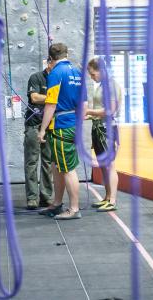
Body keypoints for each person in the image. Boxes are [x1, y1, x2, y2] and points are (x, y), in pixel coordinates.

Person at [37, 43, 85, 220]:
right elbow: (84, 103)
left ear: (50, 58)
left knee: (67, 169)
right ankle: (57, 204)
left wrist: (42, 130)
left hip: (61, 125)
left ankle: (74, 209)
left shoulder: (56, 73)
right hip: (73, 123)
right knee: (57, 166)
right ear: (67, 53)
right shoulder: (78, 72)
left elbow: (51, 103)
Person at [85, 57, 122, 212]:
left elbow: (110, 110)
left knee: (109, 165)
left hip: (107, 129)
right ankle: (107, 197)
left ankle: (112, 200)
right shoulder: (103, 85)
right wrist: (91, 116)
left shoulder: (111, 85)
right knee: (103, 165)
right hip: (99, 127)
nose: (92, 77)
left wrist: (88, 111)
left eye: (93, 74)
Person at [23, 59, 55, 210]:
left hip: (50, 126)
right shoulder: (36, 77)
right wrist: (54, 98)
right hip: (34, 125)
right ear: (49, 63)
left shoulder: (57, 80)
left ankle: (46, 197)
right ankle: (32, 198)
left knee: (47, 162)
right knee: (31, 162)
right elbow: (34, 97)